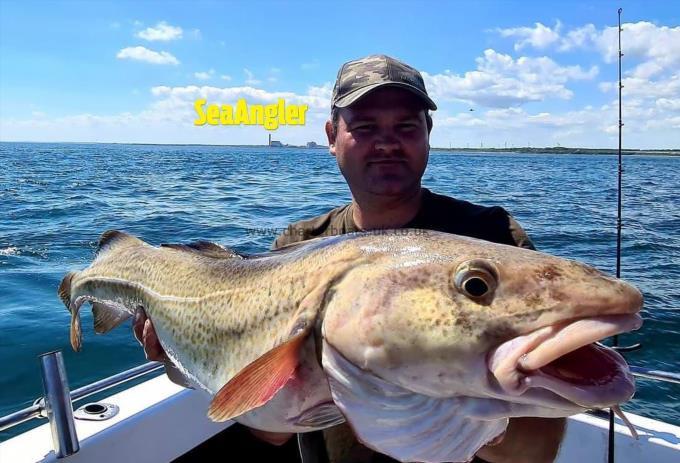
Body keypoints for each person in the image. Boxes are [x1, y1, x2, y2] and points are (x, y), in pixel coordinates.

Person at [134, 54, 565, 463]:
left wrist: (456, 398)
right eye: (364, 126)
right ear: (331, 137)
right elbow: (272, 430)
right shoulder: (298, 244)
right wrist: (180, 359)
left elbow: (535, 453)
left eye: (406, 127)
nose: (387, 143)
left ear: (428, 133)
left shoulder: (492, 241)